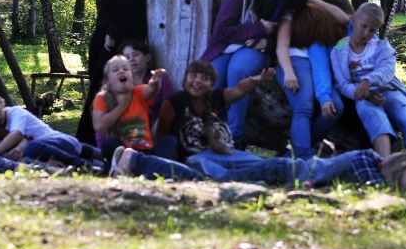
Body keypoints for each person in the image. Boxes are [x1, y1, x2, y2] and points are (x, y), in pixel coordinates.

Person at [117, 60, 377, 187]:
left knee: (266, 164)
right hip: (196, 158)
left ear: (211, 84)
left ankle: (301, 170)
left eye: (204, 78)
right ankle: (249, 183)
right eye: (193, 76)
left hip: (228, 153)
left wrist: (256, 81)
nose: (197, 81)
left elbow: (238, 91)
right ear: (186, 79)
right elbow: (163, 134)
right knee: (214, 174)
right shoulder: (174, 102)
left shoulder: (217, 97)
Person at [77, 0, 152, 145]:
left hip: (121, 32)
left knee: (104, 85)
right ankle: (97, 139)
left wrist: (113, 32)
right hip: (108, 27)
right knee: (100, 84)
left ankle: (92, 141)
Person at [198, 0, 291, 149]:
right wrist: (258, 28)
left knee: (238, 70)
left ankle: (234, 140)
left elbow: (283, 43)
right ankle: (205, 137)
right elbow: (221, 32)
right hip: (226, 47)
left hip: (255, 51)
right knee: (211, 76)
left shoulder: (282, 5)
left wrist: (266, 42)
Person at [330, 3, 406, 158]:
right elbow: (342, 84)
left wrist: (368, 80)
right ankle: (385, 161)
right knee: (375, 118)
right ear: (354, 20)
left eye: (372, 30)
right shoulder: (339, 52)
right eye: (364, 26)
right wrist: (363, 93)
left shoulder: (381, 46)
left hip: (388, 90)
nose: (366, 33)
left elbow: (387, 70)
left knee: (404, 112)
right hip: (363, 96)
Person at [275, 0, 350, 159]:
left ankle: (292, 155)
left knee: (336, 106)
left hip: (317, 64)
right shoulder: (291, 14)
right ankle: (305, 156)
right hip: (296, 60)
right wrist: (289, 71)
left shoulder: (321, 14)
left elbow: (345, 19)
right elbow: (282, 45)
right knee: (304, 106)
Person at [0, 86, 103, 171]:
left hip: (61, 142)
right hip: (50, 150)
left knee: (32, 148)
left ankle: (84, 166)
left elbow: (17, 134)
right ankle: (97, 166)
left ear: (0, 102)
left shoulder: (15, 112)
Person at [91, 55, 177, 176]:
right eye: (115, 70)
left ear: (132, 77)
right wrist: (122, 105)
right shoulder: (102, 98)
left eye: (125, 69)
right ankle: (149, 170)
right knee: (109, 143)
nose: (121, 71)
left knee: (170, 140)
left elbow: (151, 89)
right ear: (108, 81)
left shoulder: (138, 92)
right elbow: (99, 126)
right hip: (122, 151)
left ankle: (148, 171)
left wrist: (155, 82)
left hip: (146, 151)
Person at [118, 39, 173, 136]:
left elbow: (168, 107)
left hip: (156, 127)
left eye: (136, 54)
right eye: (127, 57)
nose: (131, 59)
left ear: (147, 57)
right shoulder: (119, 84)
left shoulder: (160, 79)